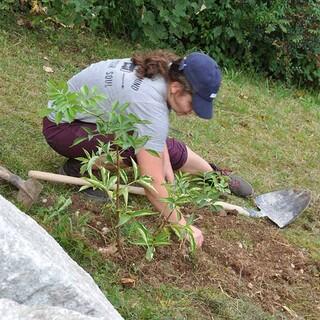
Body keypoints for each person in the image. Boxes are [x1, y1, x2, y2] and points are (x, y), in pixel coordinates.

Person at [43, 50, 253, 247]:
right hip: (64, 129)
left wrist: (166, 163)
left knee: (166, 147)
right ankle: (81, 168)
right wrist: (182, 225)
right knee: (135, 152)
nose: (193, 112)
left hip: (94, 121)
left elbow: (154, 136)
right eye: (193, 104)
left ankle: (215, 177)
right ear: (176, 89)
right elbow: (150, 181)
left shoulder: (166, 72)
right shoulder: (150, 102)